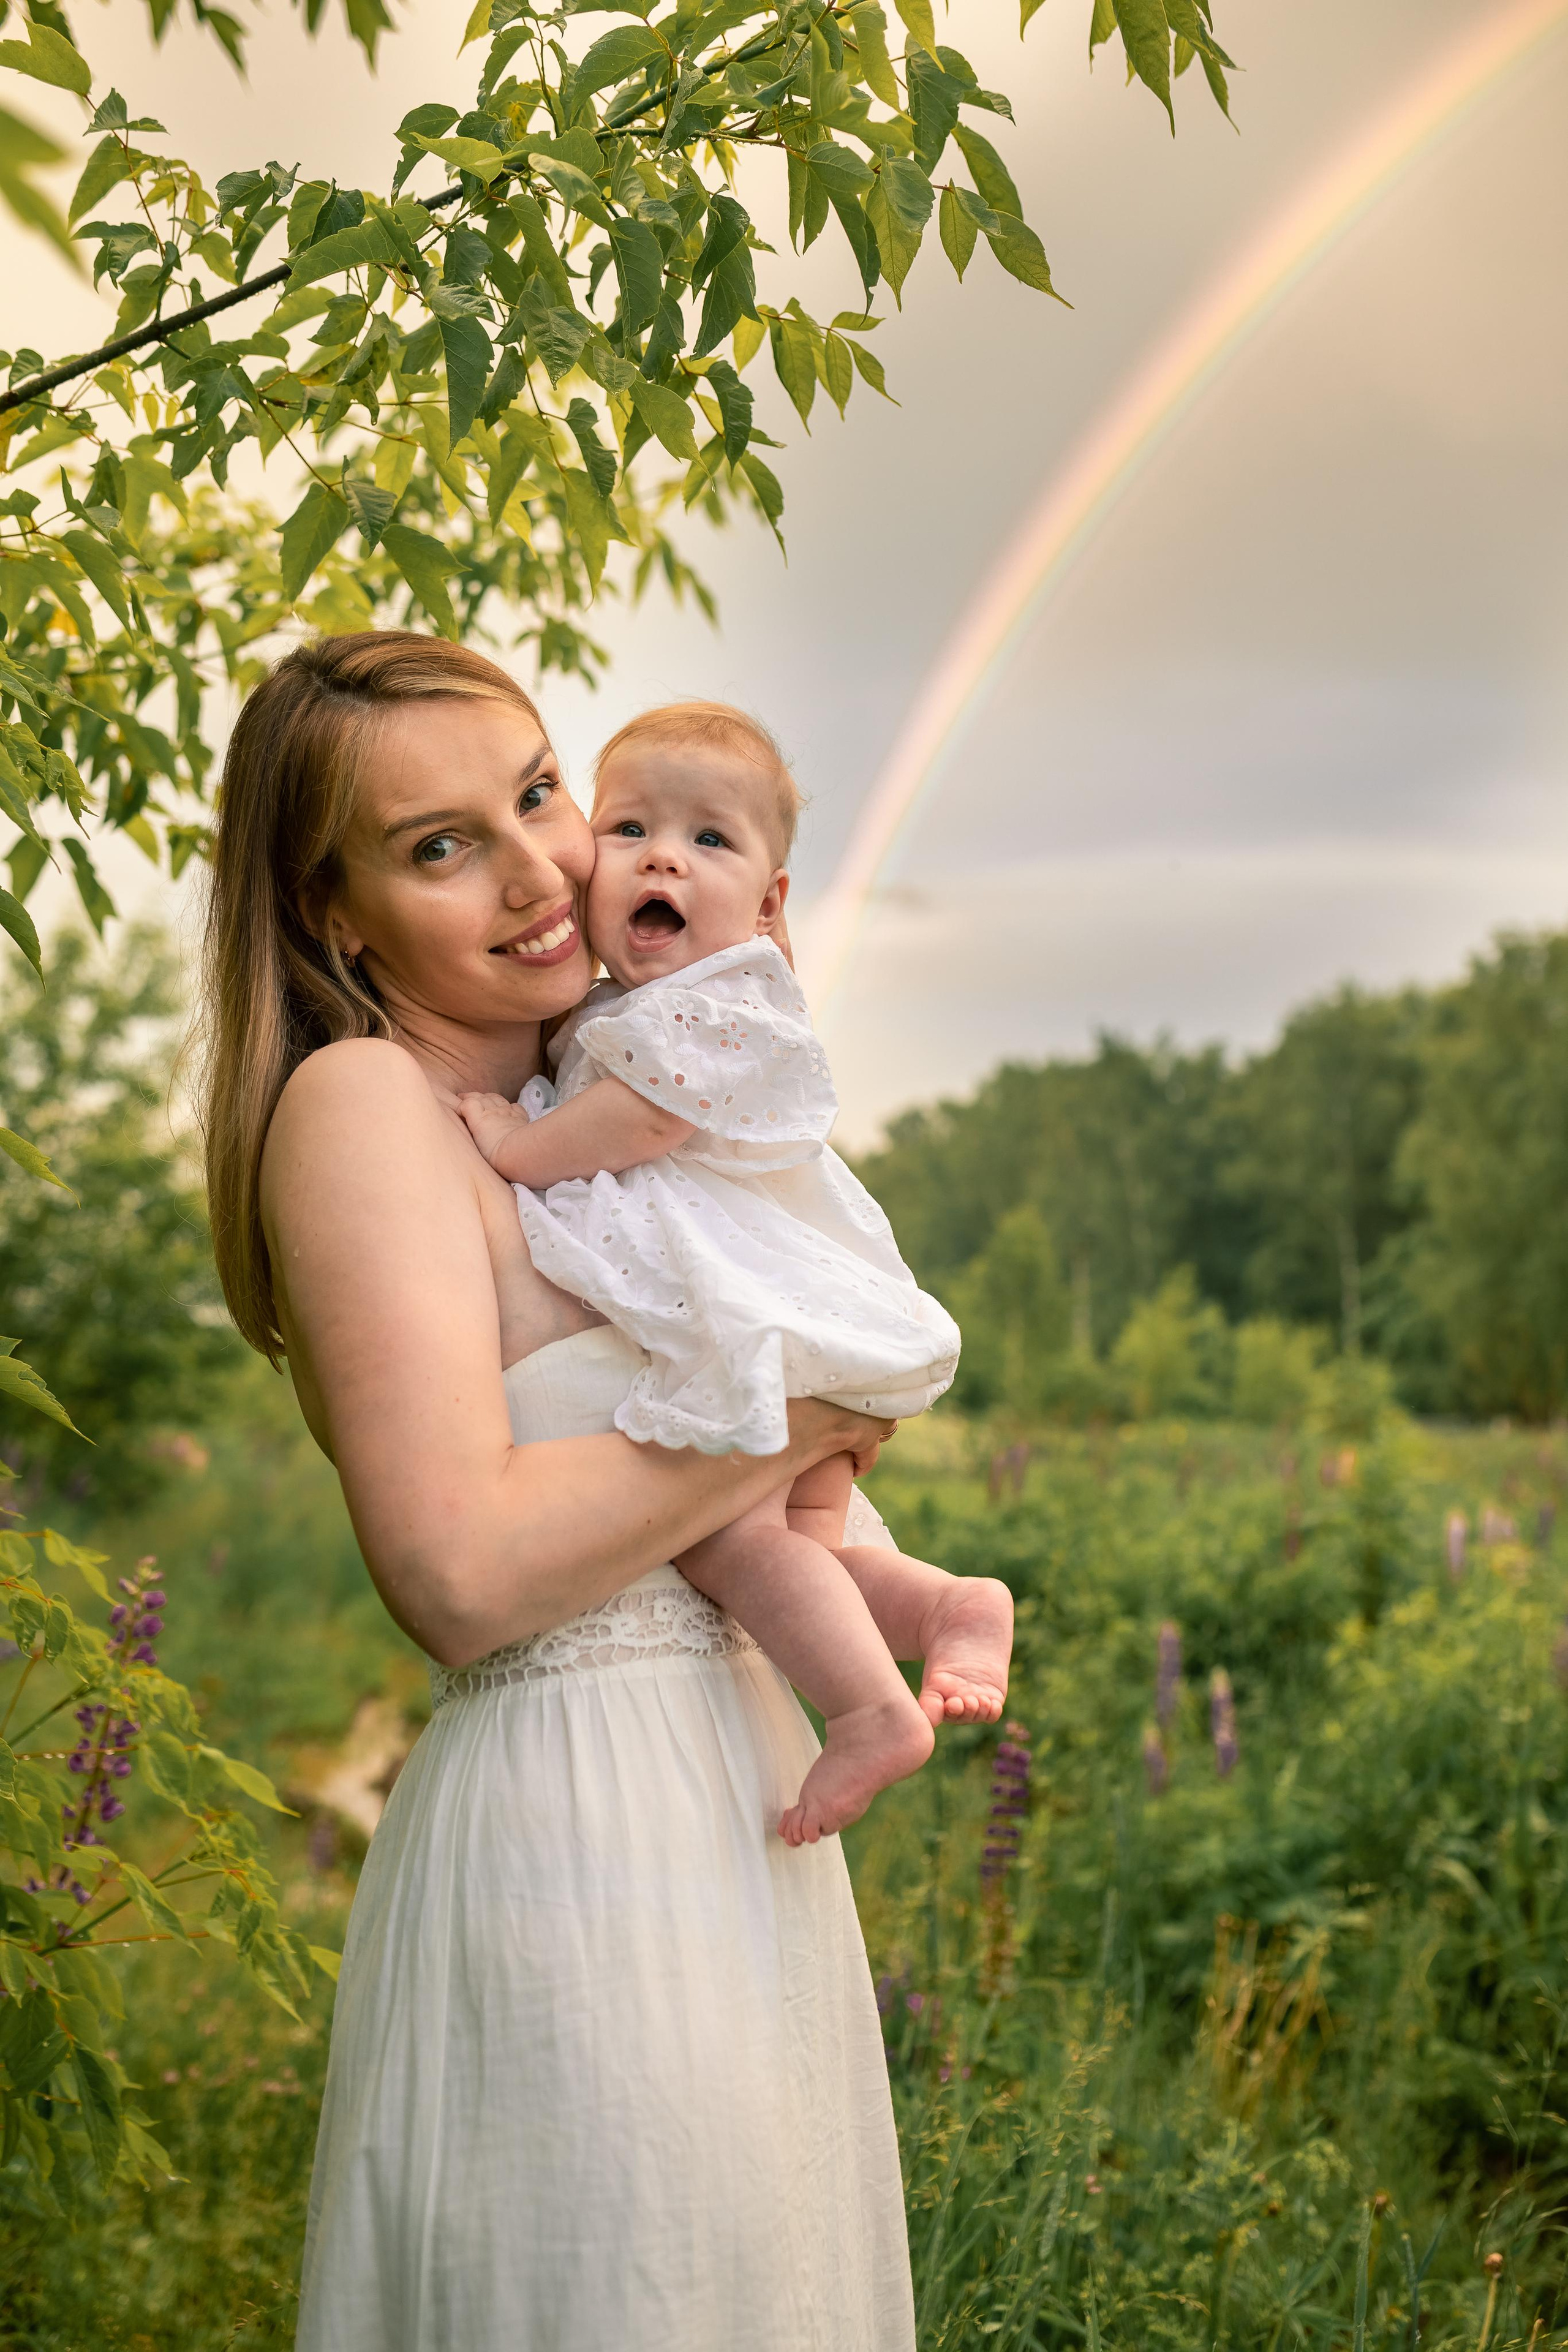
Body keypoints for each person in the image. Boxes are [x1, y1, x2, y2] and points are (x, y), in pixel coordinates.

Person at [198, 631, 917, 2350]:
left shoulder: (582, 1101)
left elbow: (775, 1523)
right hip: (582, 1849)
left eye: (536, 795)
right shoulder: (371, 1103)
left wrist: (727, 1062)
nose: (538, 872)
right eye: (441, 844)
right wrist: (810, 1388)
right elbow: (456, 1569)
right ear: (335, 915)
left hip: (736, 1832)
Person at [456, 702, 1013, 1845]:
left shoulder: (716, 1005)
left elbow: (645, 1121)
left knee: (738, 1545)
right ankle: (949, 1608)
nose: (665, 855)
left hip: (756, 1317)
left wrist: (517, 1146)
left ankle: (868, 1711)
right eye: (630, 829)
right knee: (809, 1560)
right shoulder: (667, 996)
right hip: (790, 1317)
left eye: (711, 841)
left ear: (768, 905)